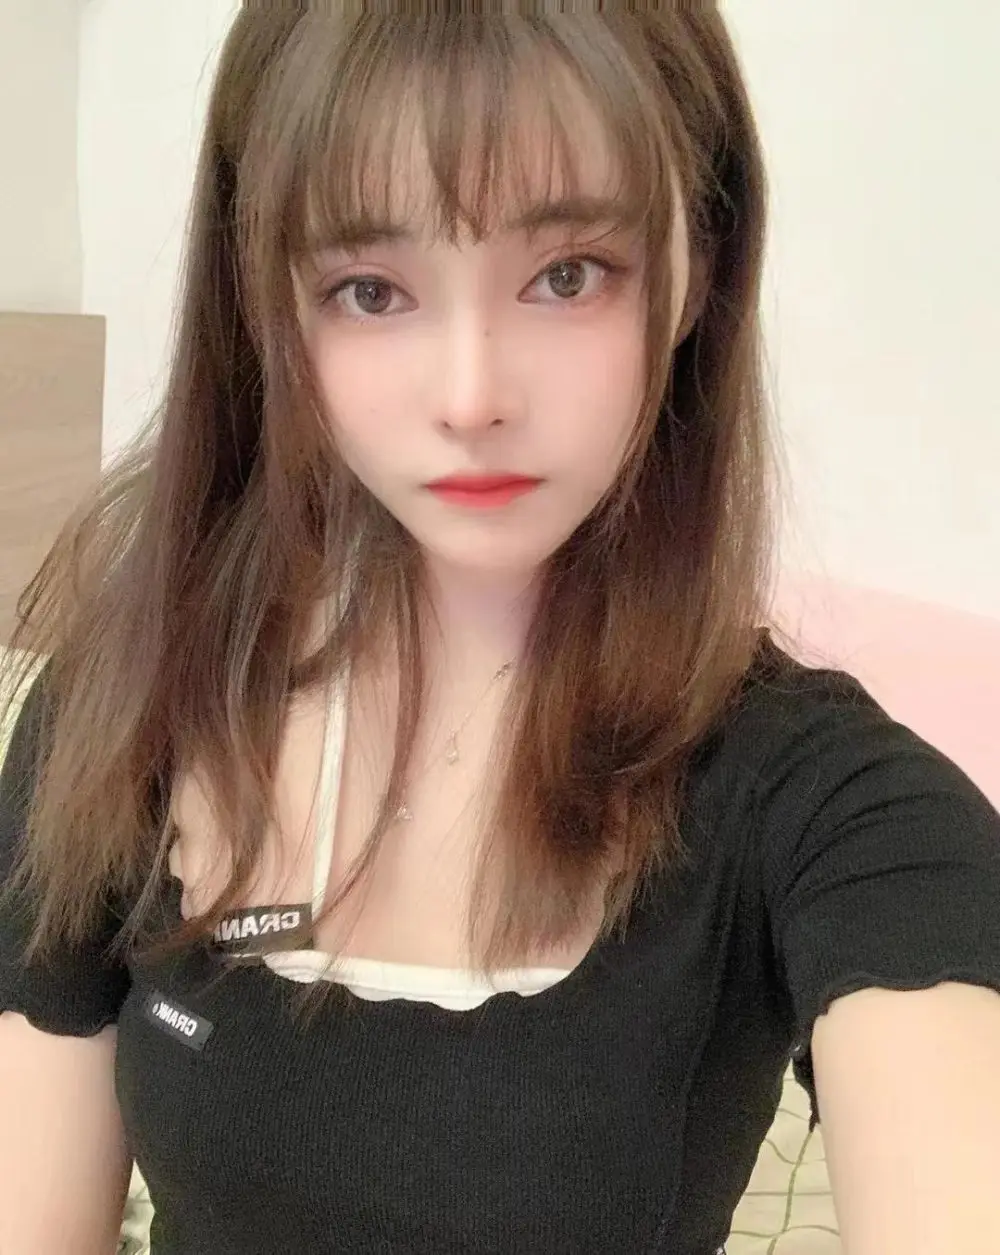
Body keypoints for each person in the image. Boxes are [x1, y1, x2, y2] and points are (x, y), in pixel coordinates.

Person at [1, 8, 999, 1254]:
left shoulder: (831, 805)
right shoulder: (124, 716)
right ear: (268, 304)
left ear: (697, 263)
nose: (471, 395)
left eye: (567, 274)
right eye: (370, 291)